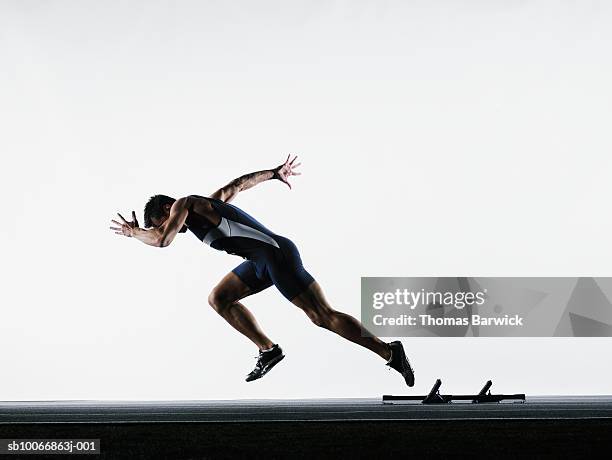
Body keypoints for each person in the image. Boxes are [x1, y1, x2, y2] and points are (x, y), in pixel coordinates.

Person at [110, 155, 415, 385]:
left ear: (167, 210)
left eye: (159, 223)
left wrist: (133, 233)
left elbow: (162, 242)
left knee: (322, 316)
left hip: (276, 255)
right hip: (259, 262)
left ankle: (389, 352)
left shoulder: (186, 203)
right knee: (219, 299)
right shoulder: (207, 206)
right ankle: (268, 350)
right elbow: (238, 185)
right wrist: (273, 173)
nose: (163, 229)